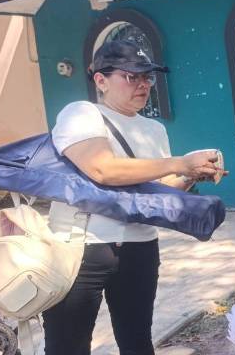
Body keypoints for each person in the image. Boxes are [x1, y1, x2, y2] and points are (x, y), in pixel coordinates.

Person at [43, 40, 221, 355]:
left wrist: (191, 175)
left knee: (137, 342)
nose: (143, 84)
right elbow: (102, 168)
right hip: (82, 246)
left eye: (147, 77)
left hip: (139, 248)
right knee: (67, 346)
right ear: (100, 80)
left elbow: (159, 188)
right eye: (131, 76)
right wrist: (179, 162)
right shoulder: (82, 114)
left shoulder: (153, 129)